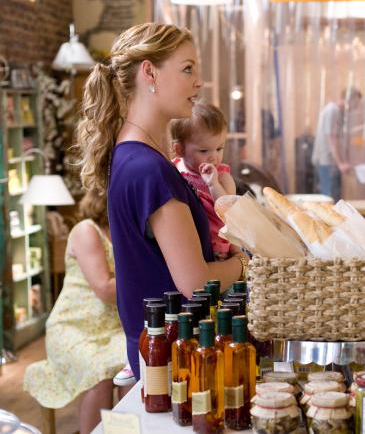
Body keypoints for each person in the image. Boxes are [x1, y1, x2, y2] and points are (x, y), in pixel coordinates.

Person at [76, 23, 248, 381]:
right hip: (174, 361)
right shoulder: (148, 169)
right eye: (188, 69)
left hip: (166, 352)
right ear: (149, 72)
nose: (198, 82)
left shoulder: (135, 157)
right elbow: (197, 283)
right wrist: (244, 264)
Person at [24, 189, 128, 434]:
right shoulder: (86, 230)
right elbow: (105, 289)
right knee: (100, 374)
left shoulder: (126, 230)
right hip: (73, 328)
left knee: (134, 367)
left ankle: (126, 430)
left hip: (114, 328)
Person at [171, 102, 237, 260]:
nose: (214, 157)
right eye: (204, 150)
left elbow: (229, 211)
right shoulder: (173, 169)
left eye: (219, 148)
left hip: (216, 247)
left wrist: (213, 184)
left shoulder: (222, 177)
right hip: (185, 244)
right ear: (179, 149)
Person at [311, 87, 362, 201]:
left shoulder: (337, 112)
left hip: (331, 161)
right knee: (329, 199)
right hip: (327, 161)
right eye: (356, 103)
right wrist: (340, 163)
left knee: (334, 197)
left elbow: (338, 139)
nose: (356, 107)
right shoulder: (332, 110)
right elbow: (332, 138)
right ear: (350, 99)